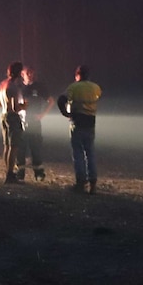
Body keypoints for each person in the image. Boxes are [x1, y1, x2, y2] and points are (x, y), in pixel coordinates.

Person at [58, 64, 102, 194]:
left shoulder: (73, 87)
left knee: (78, 153)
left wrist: (66, 113)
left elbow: (61, 100)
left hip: (77, 122)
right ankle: (93, 182)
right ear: (88, 76)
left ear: (77, 75)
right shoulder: (96, 88)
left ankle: (81, 182)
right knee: (90, 152)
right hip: (90, 122)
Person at [20, 65, 54, 181]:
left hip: (35, 121)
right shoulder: (18, 87)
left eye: (32, 73)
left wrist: (42, 115)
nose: (30, 75)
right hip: (21, 122)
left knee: (36, 147)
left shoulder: (39, 87)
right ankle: (20, 173)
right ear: (22, 74)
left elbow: (51, 101)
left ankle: (39, 173)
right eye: (27, 73)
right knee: (21, 148)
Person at [0, 61, 27, 184]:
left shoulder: (2, 84)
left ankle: (8, 171)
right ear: (19, 73)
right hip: (13, 117)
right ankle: (10, 175)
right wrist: (24, 106)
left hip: (3, 116)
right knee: (13, 147)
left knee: (6, 146)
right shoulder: (13, 87)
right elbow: (15, 108)